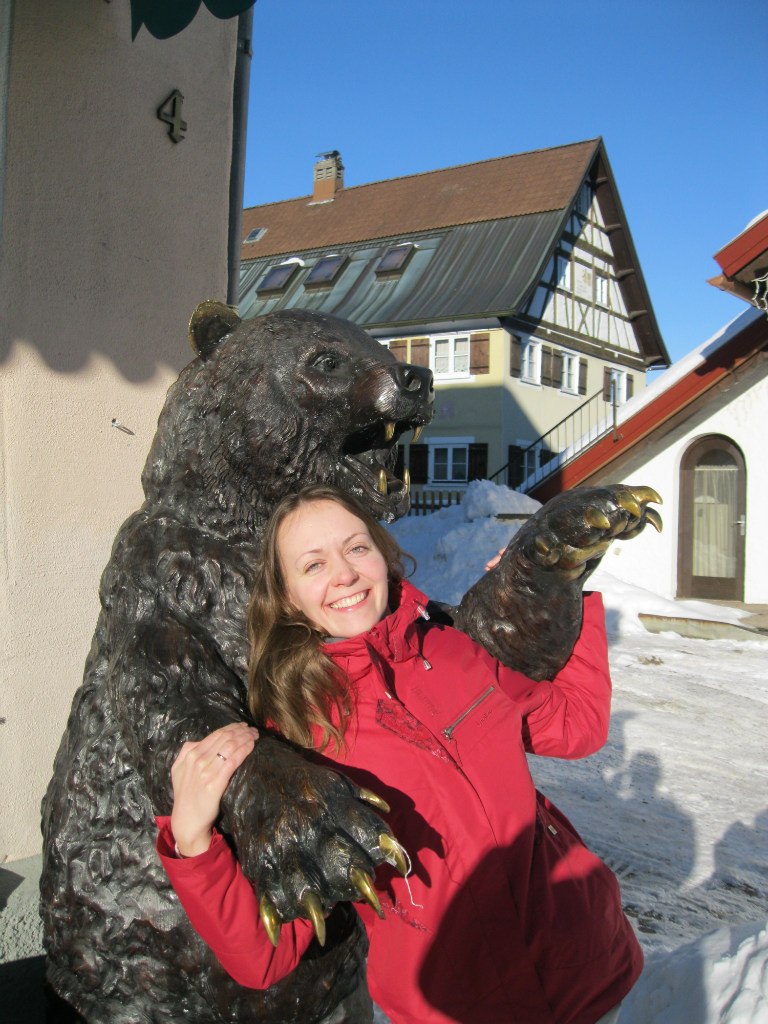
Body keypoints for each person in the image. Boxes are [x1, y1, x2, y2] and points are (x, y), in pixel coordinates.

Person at [156, 484, 642, 1024]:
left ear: (385, 558)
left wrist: (560, 591)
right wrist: (192, 842)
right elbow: (264, 957)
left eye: (357, 548)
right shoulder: (291, 733)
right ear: (287, 595)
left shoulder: (456, 649)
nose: (344, 574)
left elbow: (576, 726)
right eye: (313, 564)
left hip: (585, 975)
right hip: (455, 1007)